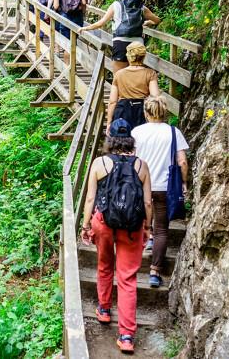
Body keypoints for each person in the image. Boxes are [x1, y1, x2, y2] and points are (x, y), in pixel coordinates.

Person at [80, 118, 153, 354]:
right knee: (128, 278)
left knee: (104, 265)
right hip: (131, 226)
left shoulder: (99, 163)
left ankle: (103, 310)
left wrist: (84, 225)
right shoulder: (141, 166)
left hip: (103, 223)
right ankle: (126, 335)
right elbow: (148, 202)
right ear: (130, 139)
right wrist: (148, 227)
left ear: (110, 138)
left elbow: (90, 198)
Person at [132, 95, 189, 288]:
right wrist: (184, 182)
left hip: (141, 186)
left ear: (146, 112)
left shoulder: (137, 132)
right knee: (162, 229)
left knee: (139, 222)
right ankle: (155, 272)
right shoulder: (173, 132)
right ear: (164, 112)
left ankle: (130, 264)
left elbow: (131, 159)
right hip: (165, 187)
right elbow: (182, 161)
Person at [78, 0, 161, 74]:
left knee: (118, 77)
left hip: (121, 42)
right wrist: (148, 22)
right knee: (134, 76)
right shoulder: (141, 7)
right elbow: (157, 20)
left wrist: (85, 28)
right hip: (137, 44)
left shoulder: (116, 5)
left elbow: (101, 23)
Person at [106, 42, 159, 133]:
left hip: (123, 111)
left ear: (128, 56)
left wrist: (109, 123)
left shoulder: (119, 74)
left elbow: (112, 101)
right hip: (143, 111)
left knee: (123, 142)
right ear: (143, 56)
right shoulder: (150, 73)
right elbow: (155, 97)